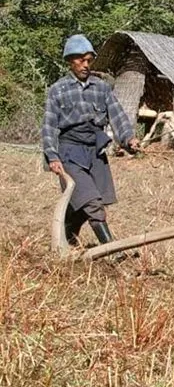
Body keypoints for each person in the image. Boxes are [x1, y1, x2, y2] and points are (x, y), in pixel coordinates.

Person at [41, 34, 140, 251]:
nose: (86, 65)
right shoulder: (58, 90)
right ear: (70, 61)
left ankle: (66, 235)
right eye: (81, 60)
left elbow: (118, 116)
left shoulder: (101, 88)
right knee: (92, 203)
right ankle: (111, 250)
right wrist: (52, 156)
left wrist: (128, 139)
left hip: (95, 152)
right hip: (69, 153)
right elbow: (48, 127)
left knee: (89, 201)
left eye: (89, 60)